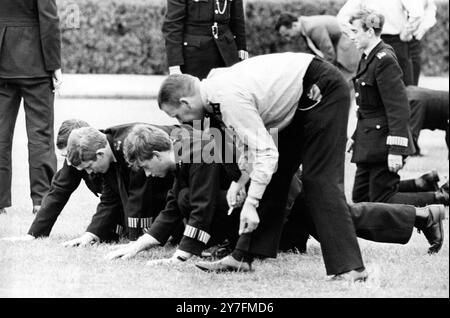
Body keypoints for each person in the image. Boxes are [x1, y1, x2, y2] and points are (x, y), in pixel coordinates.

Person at [156, 51, 368, 282]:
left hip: (321, 89)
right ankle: (242, 256)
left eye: (177, 116)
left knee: (319, 180)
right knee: (276, 175)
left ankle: (351, 267)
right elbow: (247, 142)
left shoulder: (227, 98)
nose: (181, 123)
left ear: (185, 102)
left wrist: (251, 203)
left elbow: (266, 153)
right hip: (298, 98)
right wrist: (242, 181)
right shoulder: (213, 92)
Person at [347, 9, 449, 207]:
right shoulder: (368, 57)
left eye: (355, 31)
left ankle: (440, 200)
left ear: (369, 32)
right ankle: (423, 183)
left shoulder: (384, 60)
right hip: (369, 140)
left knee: (382, 199)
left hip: (383, 143)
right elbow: (367, 109)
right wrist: (355, 137)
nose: (351, 37)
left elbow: (399, 108)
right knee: (361, 198)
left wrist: (396, 149)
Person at [106, 124, 243, 264]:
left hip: (256, 210)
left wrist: (179, 257)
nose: (147, 174)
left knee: (186, 197)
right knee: (183, 197)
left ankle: (240, 243)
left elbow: (202, 206)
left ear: (156, 155)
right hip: (238, 207)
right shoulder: (182, 152)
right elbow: (172, 209)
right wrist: (137, 245)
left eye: (145, 167)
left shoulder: (199, 151)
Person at [61, 124, 177, 246]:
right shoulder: (108, 153)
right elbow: (109, 200)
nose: (90, 172)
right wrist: (90, 234)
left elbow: (138, 197)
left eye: (89, 166)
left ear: (100, 154)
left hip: (189, 152)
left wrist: (136, 241)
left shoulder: (130, 146)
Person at [0, 0, 62, 215]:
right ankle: (42, 200)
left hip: (2, 56)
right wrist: (55, 65)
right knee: (40, 134)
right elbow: (50, 19)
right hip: (35, 60)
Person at [280, 175, 446, 255]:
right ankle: (423, 214)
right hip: (283, 182)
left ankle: (423, 216)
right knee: (333, 221)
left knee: (340, 219)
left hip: (280, 180)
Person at [337, 0, 424, 86]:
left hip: (376, 41)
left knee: (377, 87)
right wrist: (406, 33)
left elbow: (342, 18)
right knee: (403, 87)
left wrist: (356, 34)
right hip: (394, 41)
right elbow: (416, 13)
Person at [162, 0, 248, 79]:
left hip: (227, 55)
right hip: (195, 58)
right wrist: (175, 66)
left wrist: (241, 47)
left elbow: (238, 17)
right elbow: (173, 25)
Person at [275, 12, 360, 81]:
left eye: (287, 35)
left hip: (346, 45)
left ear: (294, 25)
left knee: (344, 81)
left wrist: (324, 74)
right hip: (339, 45)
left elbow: (329, 53)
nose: (288, 39)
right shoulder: (303, 25)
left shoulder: (312, 28)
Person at [407, 86, 449, 157]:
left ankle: (412, 151)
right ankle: (410, 152)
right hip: (417, 99)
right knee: (410, 130)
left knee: (409, 130)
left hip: (414, 95)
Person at [403, 0, 437, 85]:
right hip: (389, 38)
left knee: (411, 86)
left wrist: (422, 28)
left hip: (412, 39)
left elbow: (430, 9)